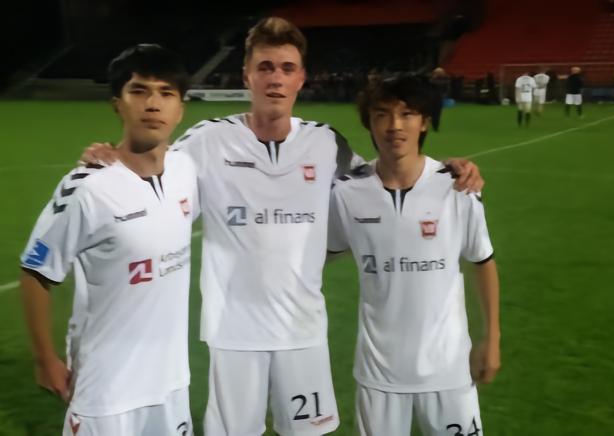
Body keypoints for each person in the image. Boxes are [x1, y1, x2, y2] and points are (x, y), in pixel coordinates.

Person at [80, 17, 484, 436]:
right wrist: (112, 156)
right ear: (247, 76)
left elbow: (380, 180)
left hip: (303, 331)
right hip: (233, 334)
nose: (276, 78)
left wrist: (445, 170)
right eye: (265, 67)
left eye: (287, 68)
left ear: (301, 78)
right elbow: (153, 174)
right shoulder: (207, 140)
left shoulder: (325, 142)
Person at [19, 44, 197, 435]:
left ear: (180, 110)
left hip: (171, 384)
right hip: (106, 393)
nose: (153, 104)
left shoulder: (186, 170)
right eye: (139, 91)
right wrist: (45, 359)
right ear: (118, 104)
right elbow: (35, 272)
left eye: (166, 93)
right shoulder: (88, 188)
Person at [328, 73, 500, 436]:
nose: (394, 125)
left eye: (407, 114)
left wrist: (492, 339)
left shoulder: (458, 187)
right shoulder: (346, 193)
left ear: (424, 122)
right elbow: (320, 253)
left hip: (449, 370)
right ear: (369, 123)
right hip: (378, 375)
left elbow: (482, 261)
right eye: (382, 114)